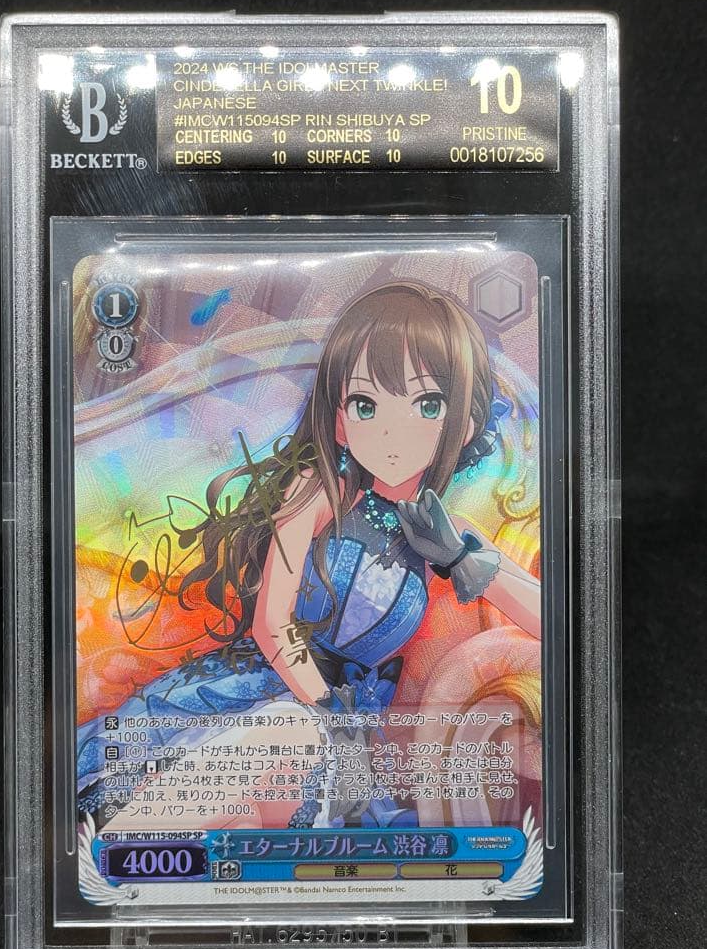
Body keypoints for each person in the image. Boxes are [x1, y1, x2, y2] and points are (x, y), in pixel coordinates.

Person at [76, 282, 540, 829]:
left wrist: (460, 559)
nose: (392, 431)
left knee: (258, 813)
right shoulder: (319, 492)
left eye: (427, 405)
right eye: (367, 405)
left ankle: (145, 848)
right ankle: (122, 838)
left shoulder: (447, 531)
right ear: (340, 420)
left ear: (464, 426)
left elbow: (558, 624)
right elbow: (273, 624)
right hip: (262, 695)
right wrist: (329, 714)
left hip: (340, 743)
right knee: (286, 740)